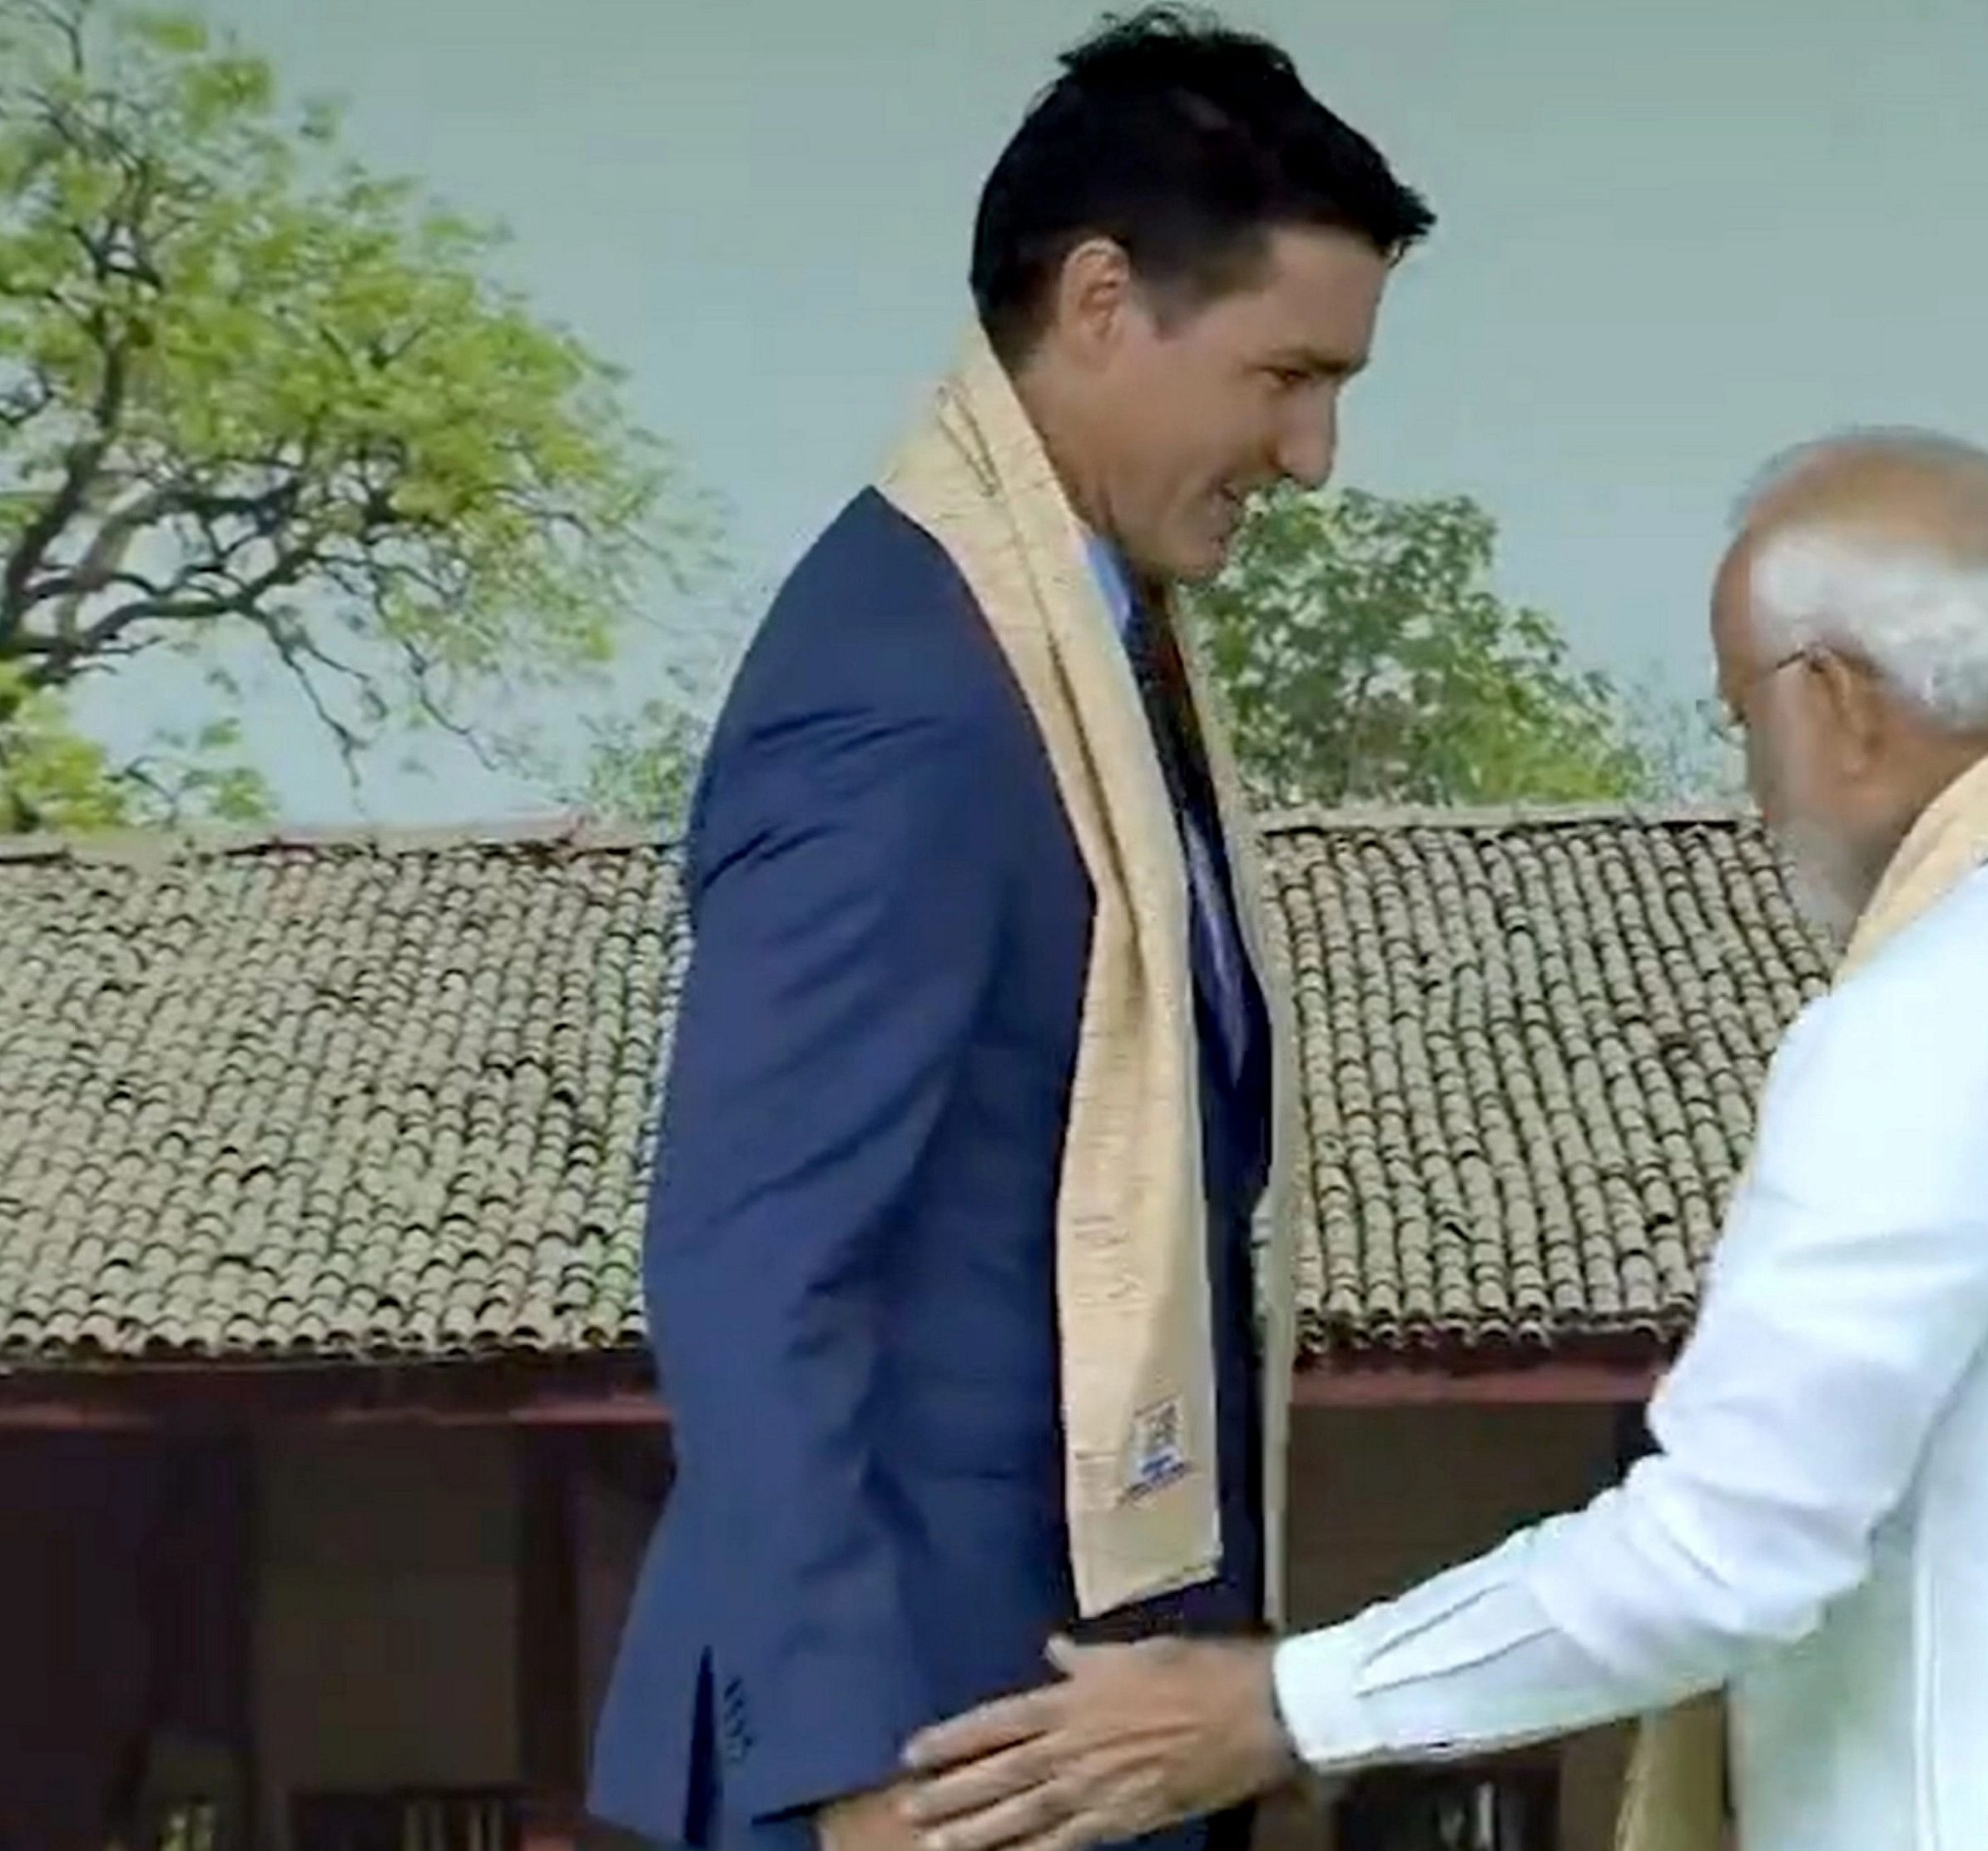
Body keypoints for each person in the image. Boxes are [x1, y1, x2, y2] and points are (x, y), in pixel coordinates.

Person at [888, 429, 1988, 1851]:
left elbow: (1725, 1551)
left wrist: (1278, 1708)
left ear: (1838, 700)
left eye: (1742, 718)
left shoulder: (1953, 1007)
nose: (1746, 791)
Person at [583, 13, 1432, 1851]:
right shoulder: (910, 683)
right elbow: (753, 1254)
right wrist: (850, 1768)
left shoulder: (1104, 655)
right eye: (1286, 375)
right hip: (928, 1751)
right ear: (1104, 298)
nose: (1314, 453)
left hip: (1082, 1727)